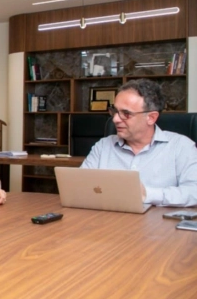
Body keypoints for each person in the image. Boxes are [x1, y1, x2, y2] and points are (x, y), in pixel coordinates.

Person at [81, 79, 197, 207]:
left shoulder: (181, 147)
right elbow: (80, 187)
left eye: (126, 113)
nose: (115, 119)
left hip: (158, 219)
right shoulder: (103, 146)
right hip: (108, 217)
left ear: (151, 118)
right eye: (114, 111)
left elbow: (194, 192)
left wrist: (147, 194)